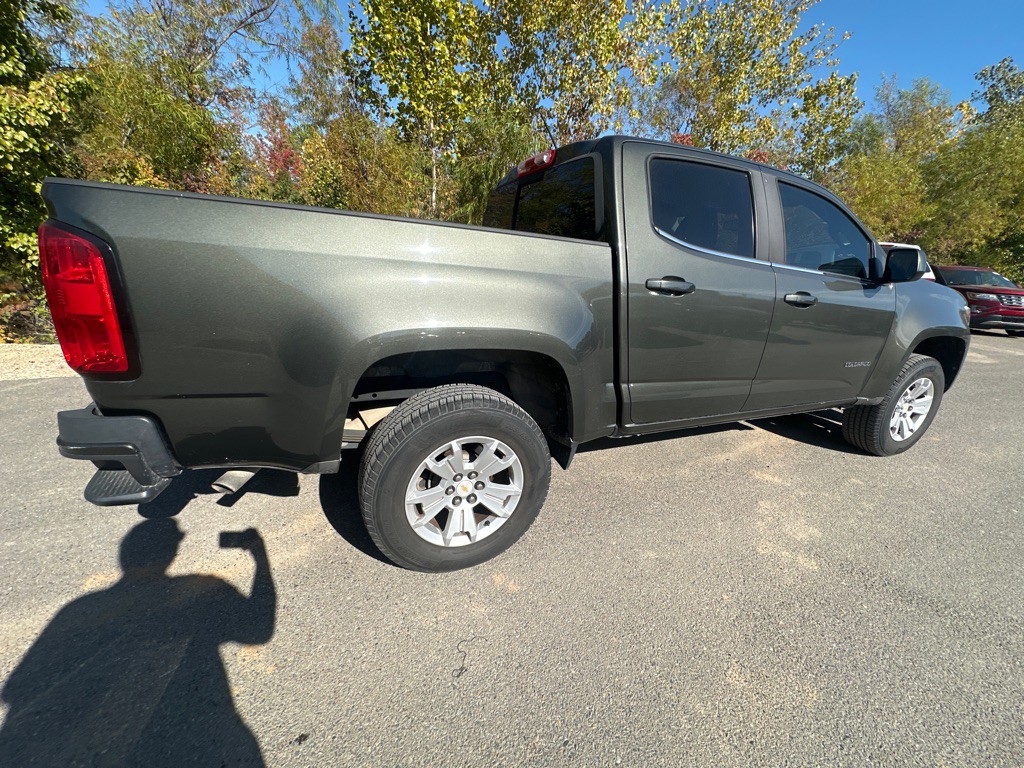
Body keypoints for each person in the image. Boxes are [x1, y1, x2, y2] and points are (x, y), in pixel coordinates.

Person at [0, 519, 275, 767]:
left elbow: (19, 689)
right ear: (172, 554)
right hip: (205, 741)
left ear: (125, 558)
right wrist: (260, 558)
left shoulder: (79, 610)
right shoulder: (201, 591)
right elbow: (259, 630)